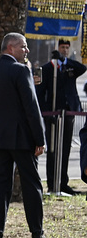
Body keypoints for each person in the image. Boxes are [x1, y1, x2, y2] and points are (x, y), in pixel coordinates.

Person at [0, 33, 46, 238]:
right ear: (10, 48)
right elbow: (31, 108)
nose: (26, 50)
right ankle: (37, 232)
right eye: (23, 47)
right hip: (21, 138)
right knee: (31, 183)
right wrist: (40, 138)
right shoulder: (21, 70)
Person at [35, 39, 86, 195]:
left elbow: (82, 68)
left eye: (66, 48)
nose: (64, 50)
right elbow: (39, 93)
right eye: (62, 47)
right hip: (52, 115)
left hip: (68, 113)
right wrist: (45, 113)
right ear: (57, 48)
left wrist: (65, 60)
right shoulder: (46, 69)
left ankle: (63, 183)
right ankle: (52, 183)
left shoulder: (69, 66)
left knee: (65, 149)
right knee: (52, 149)